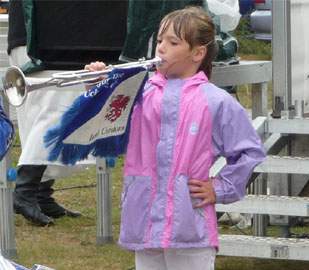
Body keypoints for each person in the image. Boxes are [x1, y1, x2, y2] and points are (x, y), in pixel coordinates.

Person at [86, 6, 265, 270]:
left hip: (190, 225)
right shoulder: (139, 93)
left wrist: (219, 188)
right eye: (159, 40)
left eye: (172, 42)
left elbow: (250, 152)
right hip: (144, 219)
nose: (161, 48)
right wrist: (97, 88)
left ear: (197, 53)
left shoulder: (215, 101)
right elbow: (105, 127)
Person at [7, 0, 82, 226]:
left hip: (53, 34)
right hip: (36, 38)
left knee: (50, 114)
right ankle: (25, 190)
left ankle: (40, 192)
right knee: (53, 114)